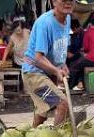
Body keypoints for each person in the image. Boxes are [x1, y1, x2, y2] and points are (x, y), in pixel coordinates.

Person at [22, 0, 74, 128]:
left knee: (42, 111)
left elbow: (61, 48)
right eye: (64, 0)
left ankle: (32, 136)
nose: (68, 3)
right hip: (33, 72)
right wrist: (56, 71)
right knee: (63, 104)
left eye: (71, 0)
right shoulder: (45, 23)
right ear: (54, 2)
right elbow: (38, 58)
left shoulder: (67, 19)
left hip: (47, 72)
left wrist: (63, 65)